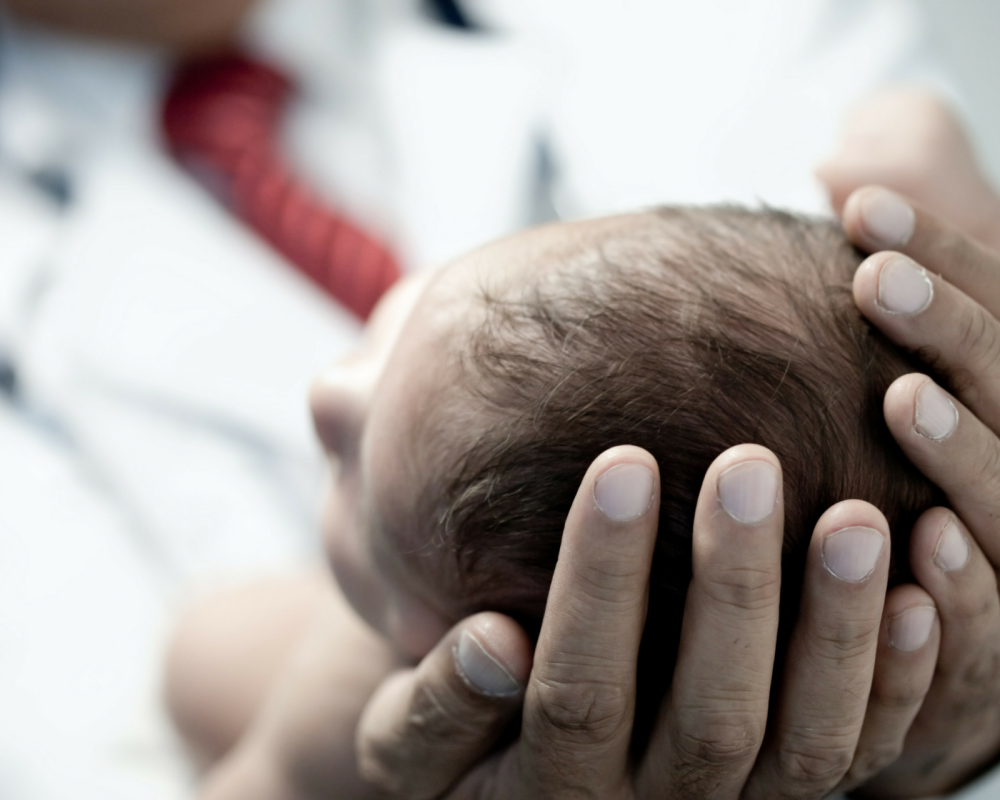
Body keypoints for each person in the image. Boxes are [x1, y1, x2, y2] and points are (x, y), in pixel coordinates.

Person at [166, 95, 1000, 799]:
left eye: (353, 472)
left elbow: (201, 665)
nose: (325, 394)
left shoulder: (337, 711)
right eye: (393, 334)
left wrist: (289, 775)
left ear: (433, 641)